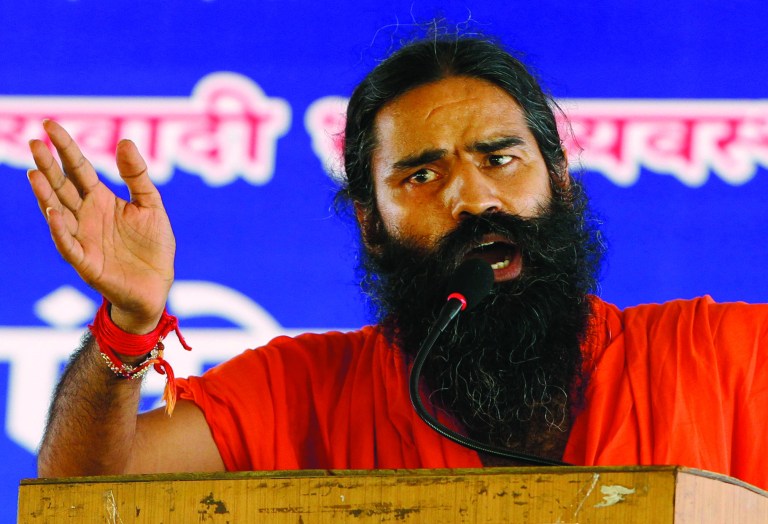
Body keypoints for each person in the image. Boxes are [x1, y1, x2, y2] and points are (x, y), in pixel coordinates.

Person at [28, 35, 768, 489]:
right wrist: (130, 322)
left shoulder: (730, 358)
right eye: (421, 176)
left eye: (501, 159)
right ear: (371, 227)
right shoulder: (304, 392)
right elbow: (86, 496)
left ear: (560, 183)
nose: (474, 199)